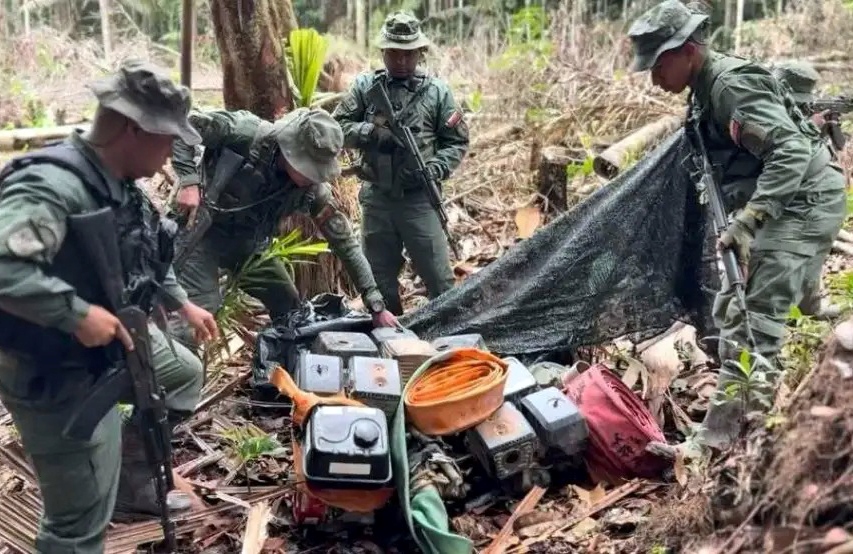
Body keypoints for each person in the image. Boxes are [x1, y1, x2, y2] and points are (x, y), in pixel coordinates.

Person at [0, 59, 219, 552]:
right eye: (166, 140)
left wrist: (181, 305)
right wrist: (76, 314)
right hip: (58, 376)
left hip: (105, 353)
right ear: (132, 130)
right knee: (76, 530)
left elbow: (140, 254)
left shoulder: (114, 183)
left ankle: (127, 475)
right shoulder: (53, 187)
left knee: (181, 373)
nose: (169, 156)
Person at [627, 0, 847, 448]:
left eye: (659, 65)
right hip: (786, 201)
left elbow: (791, 153)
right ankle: (752, 410)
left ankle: (727, 441)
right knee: (736, 307)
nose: (653, 78)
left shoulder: (729, 87)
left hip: (802, 203)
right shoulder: (705, 88)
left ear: (688, 50)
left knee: (753, 324)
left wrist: (749, 223)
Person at [169, 107, 398, 347]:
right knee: (198, 311)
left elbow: (345, 243)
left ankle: (282, 366)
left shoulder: (312, 192)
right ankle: (179, 373)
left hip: (248, 245)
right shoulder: (244, 133)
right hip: (201, 233)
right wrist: (188, 181)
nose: (311, 176)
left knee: (289, 305)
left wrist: (375, 303)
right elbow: (182, 124)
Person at [332, 11, 470, 315]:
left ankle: (446, 342)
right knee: (378, 282)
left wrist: (436, 168)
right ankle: (392, 343)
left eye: (409, 54)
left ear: (419, 53)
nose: (402, 61)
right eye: (395, 53)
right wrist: (371, 133)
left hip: (419, 199)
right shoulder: (366, 88)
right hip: (377, 199)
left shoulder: (436, 92)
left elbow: (457, 141)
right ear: (384, 52)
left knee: (439, 279)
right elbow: (335, 128)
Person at [772, 60, 845, 319]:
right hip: (779, 197)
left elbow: (836, 146)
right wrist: (810, 127)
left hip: (811, 194)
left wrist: (826, 125)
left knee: (813, 249)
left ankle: (808, 306)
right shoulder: (769, 112)